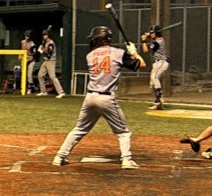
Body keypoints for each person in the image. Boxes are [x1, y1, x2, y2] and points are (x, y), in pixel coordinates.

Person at [53, 26, 145, 170]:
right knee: (123, 132)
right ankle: (127, 160)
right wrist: (134, 53)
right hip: (106, 99)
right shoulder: (119, 53)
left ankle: (59, 156)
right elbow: (142, 65)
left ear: (98, 39)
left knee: (79, 129)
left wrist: (128, 54)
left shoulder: (90, 55)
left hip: (89, 97)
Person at [142, 26, 168, 110]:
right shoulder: (156, 41)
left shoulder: (158, 42)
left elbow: (145, 50)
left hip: (161, 62)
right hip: (157, 62)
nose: (151, 34)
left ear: (157, 33)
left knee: (154, 77)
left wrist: (144, 39)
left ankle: (159, 97)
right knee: (152, 83)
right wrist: (149, 35)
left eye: (152, 33)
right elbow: (152, 48)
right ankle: (159, 105)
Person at [36, 31, 66, 98]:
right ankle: (43, 91)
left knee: (52, 77)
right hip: (46, 61)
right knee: (40, 75)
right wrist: (41, 49)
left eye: (45, 35)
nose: (44, 36)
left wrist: (43, 50)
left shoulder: (51, 43)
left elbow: (49, 54)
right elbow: (43, 52)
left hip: (51, 61)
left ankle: (61, 92)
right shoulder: (45, 43)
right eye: (43, 35)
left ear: (48, 35)